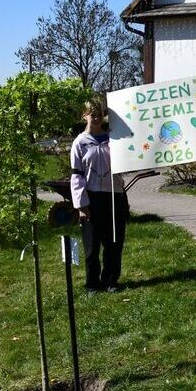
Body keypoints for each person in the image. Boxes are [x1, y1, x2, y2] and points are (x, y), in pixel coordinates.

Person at [70, 96, 128, 294]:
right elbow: (76, 175)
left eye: (100, 114)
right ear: (84, 116)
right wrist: (81, 205)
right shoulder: (80, 143)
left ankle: (110, 280)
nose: (96, 118)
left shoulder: (115, 138)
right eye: (92, 114)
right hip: (91, 198)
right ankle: (92, 284)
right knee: (92, 247)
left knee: (114, 243)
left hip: (114, 196)